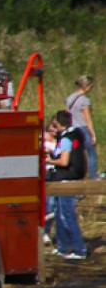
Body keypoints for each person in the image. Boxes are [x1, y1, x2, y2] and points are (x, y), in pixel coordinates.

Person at [44, 110, 87, 259]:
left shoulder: (66, 139)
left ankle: (78, 249)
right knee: (58, 213)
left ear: (57, 123)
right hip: (67, 177)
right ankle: (63, 247)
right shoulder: (75, 134)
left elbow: (64, 161)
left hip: (66, 179)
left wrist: (49, 161)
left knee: (67, 215)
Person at [66, 74, 98, 179]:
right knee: (91, 153)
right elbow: (88, 119)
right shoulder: (84, 100)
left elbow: (67, 114)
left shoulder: (69, 98)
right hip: (83, 129)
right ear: (87, 86)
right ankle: (94, 177)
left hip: (72, 129)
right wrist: (93, 134)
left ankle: (78, 177)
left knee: (77, 155)